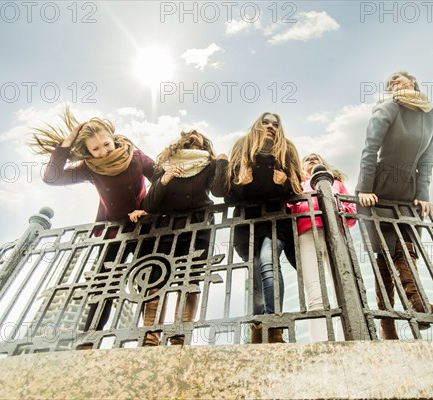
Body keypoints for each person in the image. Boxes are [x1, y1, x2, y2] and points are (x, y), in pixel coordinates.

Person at [30, 105, 155, 348]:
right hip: (113, 232)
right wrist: (67, 143)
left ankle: (147, 337)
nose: (103, 151)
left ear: (113, 137)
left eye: (106, 144)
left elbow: (159, 178)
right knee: (104, 285)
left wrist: (147, 207)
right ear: (87, 151)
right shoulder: (90, 167)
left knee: (147, 281)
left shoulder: (136, 156)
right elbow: (52, 178)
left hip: (145, 228)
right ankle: (89, 339)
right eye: (95, 149)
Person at [355, 71, 433, 340]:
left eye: (398, 79)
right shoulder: (388, 107)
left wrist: (423, 194)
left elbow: (428, 159)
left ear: (413, 82)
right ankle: (404, 312)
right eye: (389, 83)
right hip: (378, 191)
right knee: (386, 254)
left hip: (408, 193)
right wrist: (365, 188)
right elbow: (369, 149)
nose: (392, 83)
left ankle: (406, 310)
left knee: (406, 250)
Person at [213, 112, 303, 343]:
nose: (271, 126)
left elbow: (296, 190)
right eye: (266, 122)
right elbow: (226, 195)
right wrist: (235, 177)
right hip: (247, 224)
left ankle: (273, 328)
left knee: (268, 260)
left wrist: (283, 184)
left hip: (276, 221)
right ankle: (257, 329)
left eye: (275, 124)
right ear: (257, 125)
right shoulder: (242, 147)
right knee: (255, 273)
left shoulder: (287, 150)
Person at [129, 130, 221, 346]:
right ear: (180, 144)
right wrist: (165, 179)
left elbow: (217, 191)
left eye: (199, 145)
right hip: (164, 230)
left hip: (196, 229)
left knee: (189, 281)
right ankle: (150, 337)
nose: (194, 147)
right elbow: (150, 204)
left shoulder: (208, 164)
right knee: (155, 280)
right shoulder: (165, 165)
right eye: (189, 143)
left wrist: (220, 163)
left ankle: (180, 335)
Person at [288, 153, 356, 342]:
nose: (312, 159)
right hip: (307, 233)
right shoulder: (296, 183)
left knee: (342, 289)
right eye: (307, 158)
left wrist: (341, 210)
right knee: (314, 290)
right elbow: (289, 207)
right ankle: (320, 342)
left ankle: (346, 340)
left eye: (315, 157)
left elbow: (351, 210)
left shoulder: (336, 182)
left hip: (335, 235)